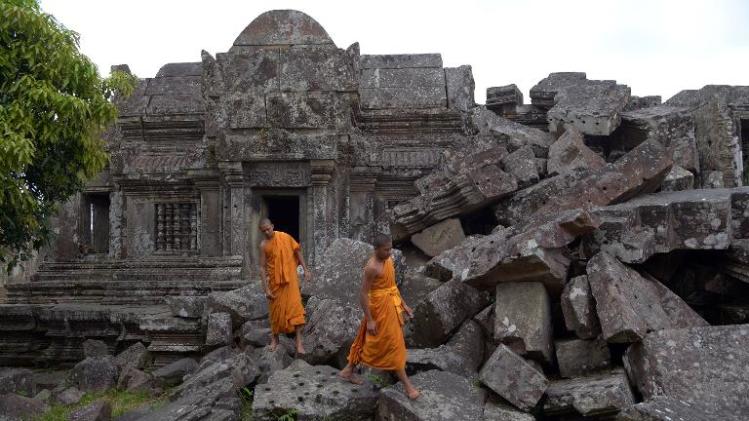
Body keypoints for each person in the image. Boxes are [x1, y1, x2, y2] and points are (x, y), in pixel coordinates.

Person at [339, 234, 420, 400]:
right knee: (393, 345)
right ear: (376, 250)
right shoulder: (372, 267)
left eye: (390, 248)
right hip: (378, 309)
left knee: (370, 339)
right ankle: (408, 386)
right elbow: (362, 294)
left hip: (390, 305)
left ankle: (348, 370)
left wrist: (404, 305)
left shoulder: (388, 261)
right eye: (386, 250)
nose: (390, 252)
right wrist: (369, 319)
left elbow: (392, 286)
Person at [258, 218, 311, 354]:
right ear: (261, 231)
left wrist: (305, 269)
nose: (267, 232)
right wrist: (266, 289)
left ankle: (299, 343)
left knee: (296, 309)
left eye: (268, 229)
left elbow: (297, 250)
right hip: (275, 282)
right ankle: (275, 340)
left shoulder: (285, 237)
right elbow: (262, 268)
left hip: (290, 280)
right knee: (275, 312)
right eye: (264, 231)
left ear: (272, 226)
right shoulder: (263, 245)